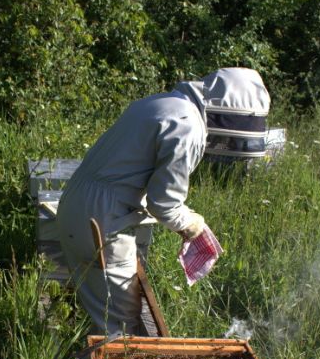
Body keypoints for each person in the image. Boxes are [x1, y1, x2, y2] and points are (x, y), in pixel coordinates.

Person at [56, 68, 270, 335]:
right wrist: (194, 225)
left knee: (102, 308)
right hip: (103, 218)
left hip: (79, 203)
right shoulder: (187, 125)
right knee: (120, 329)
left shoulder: (161, 103)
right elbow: (165, 204)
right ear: (225, 113)